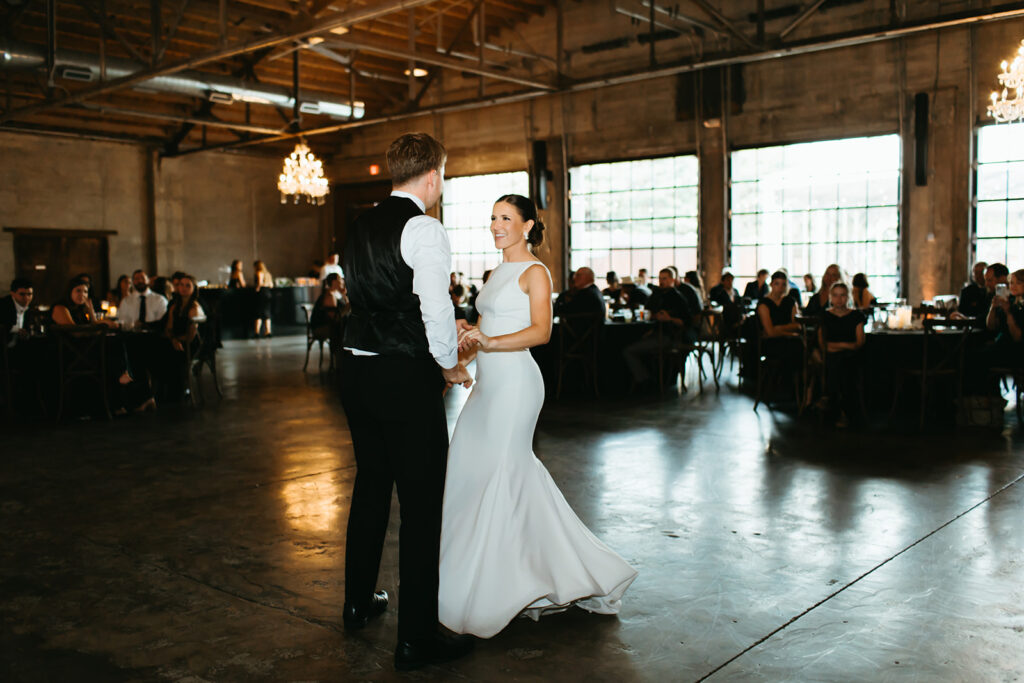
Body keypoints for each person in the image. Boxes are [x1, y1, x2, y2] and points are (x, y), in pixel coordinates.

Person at [442, 193, 636, 639]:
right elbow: (483, 332)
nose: (496, 225)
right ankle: (490, 573)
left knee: (503, 474)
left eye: (506, 218)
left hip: (516, 388)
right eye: (492, 217)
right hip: (488, 385)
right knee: (471, 468)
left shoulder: (535, 272)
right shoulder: (494, 274)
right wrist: (461, 358)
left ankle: (508, 584)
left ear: (527, 226)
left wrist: (487, 342)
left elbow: (541, 332)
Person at [339, 132, 473, 672]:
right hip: (402, 375)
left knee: (371, 485)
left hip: (354, 369)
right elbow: (435, 310)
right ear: (433, 176)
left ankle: (356, 603)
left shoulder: (357, 226)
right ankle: (416, 638)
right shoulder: (424, 227)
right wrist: (448, 364)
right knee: (421, 506)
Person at [52, 277, 155, 414]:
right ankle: (132, 391)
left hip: (85, 351)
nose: (82, 295)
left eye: (85, 292)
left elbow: (93, 326)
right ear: (69, 291)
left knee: (123, 343)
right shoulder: (60, 307)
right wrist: (101, 326)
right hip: (70, 354)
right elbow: (76, 333)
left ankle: (130, 393)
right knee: (112, 347)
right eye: (78, 291)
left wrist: (90, 313)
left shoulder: (81, 309)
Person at [623, 267, 695, 387]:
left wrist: (670, 319)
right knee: (627, 342)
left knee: (629, 351)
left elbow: (686, 322)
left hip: (668, 336)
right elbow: (648, 311)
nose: (661, 281)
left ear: (672, 279)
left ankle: (645, 381)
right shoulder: (656, 294)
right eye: (660, 279)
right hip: (652, 332)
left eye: (665, 279)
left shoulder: (678, 298)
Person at [819, 282, 867, 427]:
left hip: (852, 357)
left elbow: (859, 343)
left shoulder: (856, 315)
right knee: (837, 363)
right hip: (834, 357)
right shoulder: (825, 316)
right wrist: (846, 345)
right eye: (835, 295)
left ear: (848, 297)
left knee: (844, 364)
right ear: (830, 297)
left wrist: (836, 346)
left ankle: (839, 409)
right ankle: (841, 410)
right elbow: (823, 345)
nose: (839, 299)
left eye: (842, 295)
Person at [756, 270, 803, 388]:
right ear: (771, 284)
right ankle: (790, 388)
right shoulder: (764, 304)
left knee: (799, 347)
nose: (780, 287)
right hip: (771, 343)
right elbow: (770, 332)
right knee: (797, 348)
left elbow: (797, 325)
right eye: (777, 283)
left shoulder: (790, 301)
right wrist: (790, 333)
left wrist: (779, 328)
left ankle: (795, 388)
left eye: (783, 284)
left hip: (789, 340)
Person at [253, 260, 274, 338]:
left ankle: (257, 332)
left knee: (258, 313)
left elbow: (259, 283)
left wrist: (256, 289)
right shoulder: (268, 274)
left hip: (261, 294)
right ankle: (268, 331)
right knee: (267, 313)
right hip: (268, 293)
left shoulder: (259, 273)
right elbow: (271, 285)